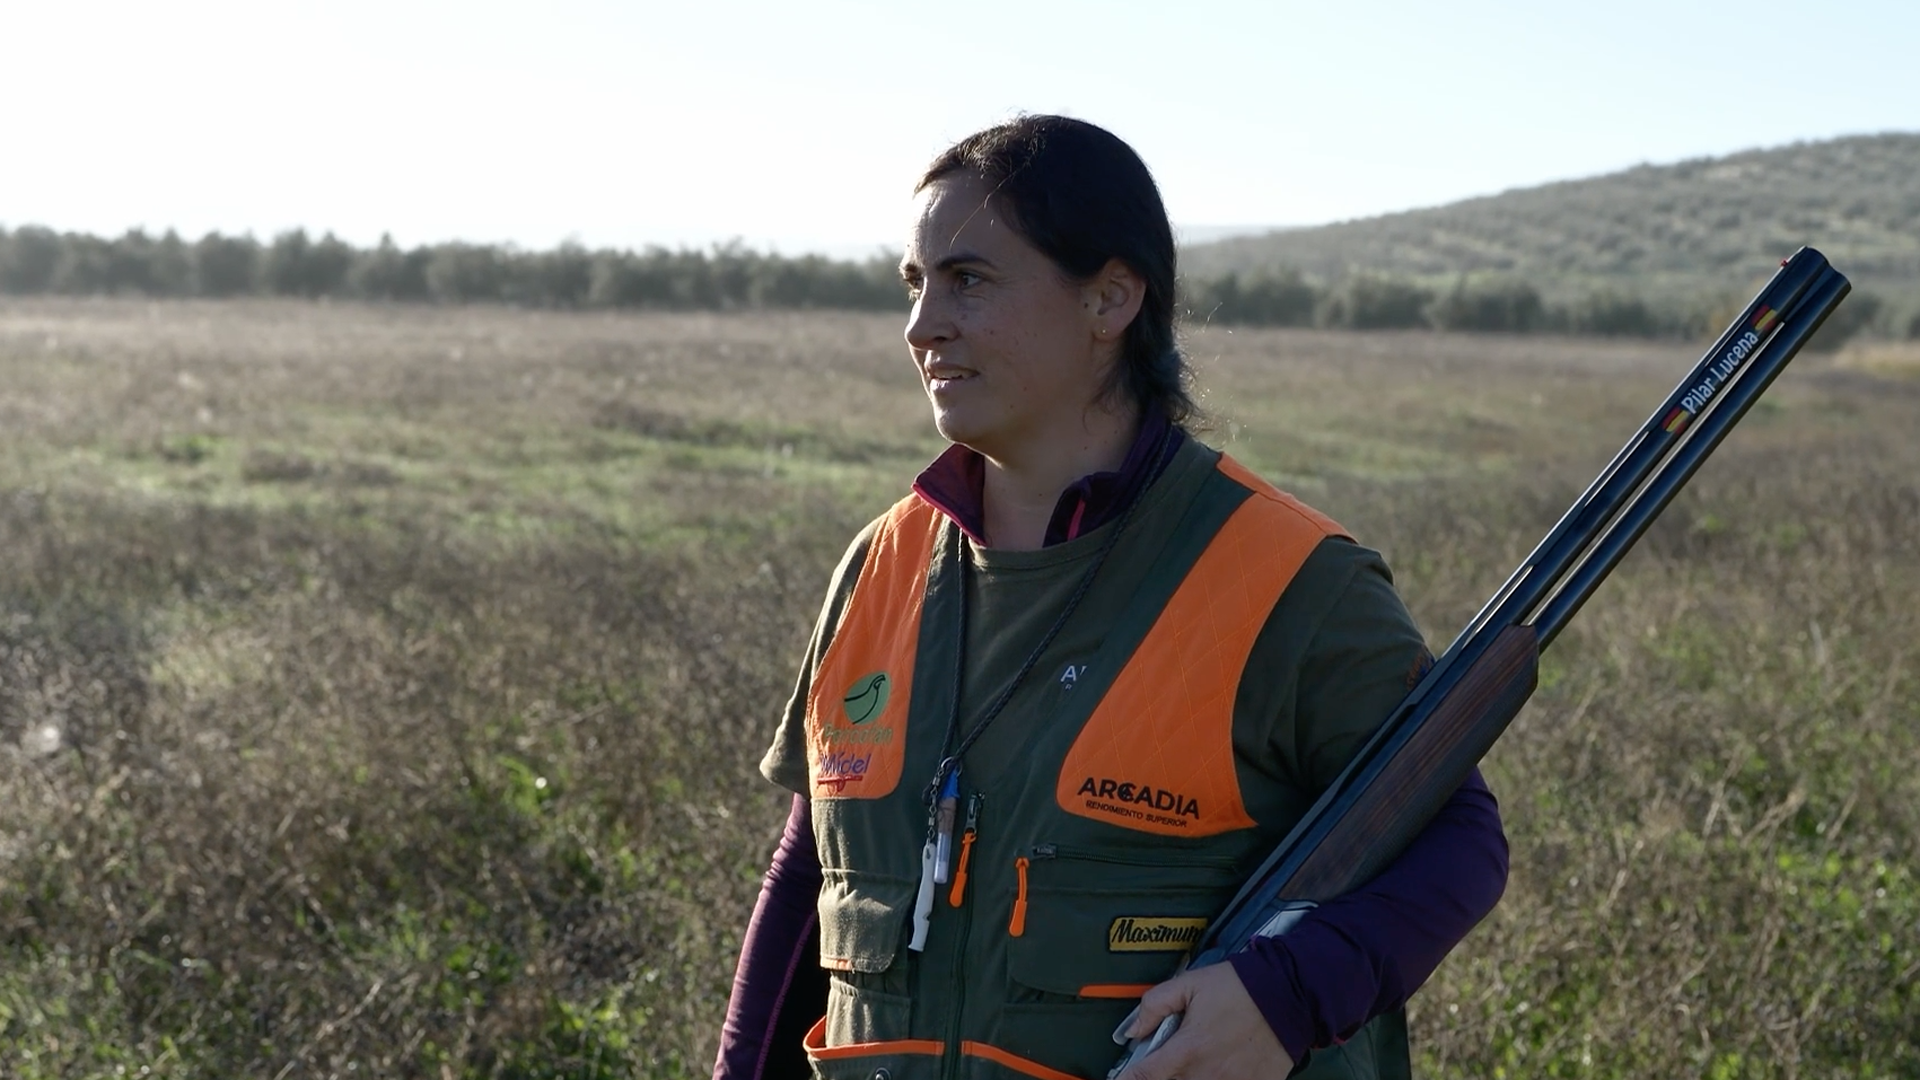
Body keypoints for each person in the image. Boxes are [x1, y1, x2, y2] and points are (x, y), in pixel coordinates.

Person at [713, 115, 1508, 1080]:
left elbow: (1457, 836)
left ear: (1111, 297)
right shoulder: (878, 564)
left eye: (969, 279)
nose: (923, 326)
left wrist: (1288, 994)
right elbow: (813, 875)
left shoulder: (1290, 579)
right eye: (915, 285)